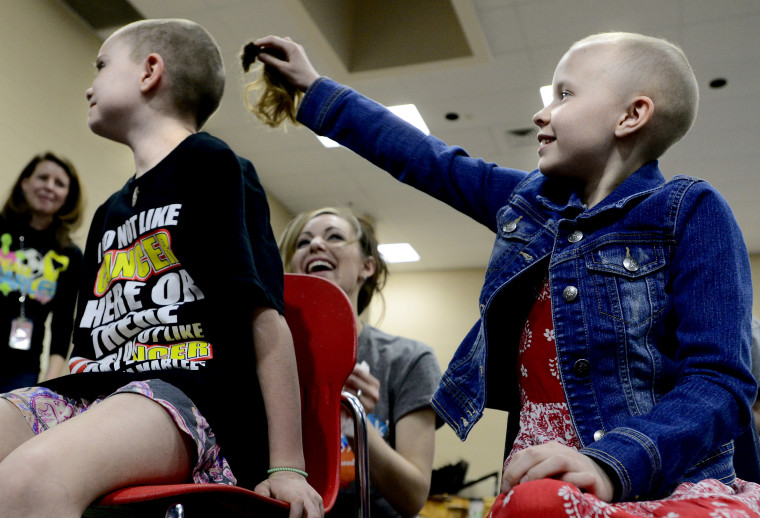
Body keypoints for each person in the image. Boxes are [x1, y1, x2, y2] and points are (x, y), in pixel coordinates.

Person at [249, 32, 760, 516]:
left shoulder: (689, 211)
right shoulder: (528, 206)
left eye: (564, 94)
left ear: (632, 115)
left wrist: (614, 462)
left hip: (659, 485)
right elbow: (427, 159)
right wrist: (315, 90)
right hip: (538, 482)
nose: (542, 112)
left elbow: (720, 380)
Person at [0, 19, 321, 518]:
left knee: (31, 479)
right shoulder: (109, 212)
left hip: (191, 395)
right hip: (101, 391)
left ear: (151, 71)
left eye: (102, 66)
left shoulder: (212, 164)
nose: (90, 84)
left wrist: (287, 466)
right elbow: (83, 350)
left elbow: (264, 318)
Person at [278, 207, 441, 518]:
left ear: (367, 266)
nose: (315, 245)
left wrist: (356, 427)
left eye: (334, 236)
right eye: (303, 242)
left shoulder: (408, 360)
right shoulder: (271, 356)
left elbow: (413, 496)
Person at [0, 152, 83, 391]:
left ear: (68, 196)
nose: (49, 187)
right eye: (43, 178)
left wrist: (46, 386)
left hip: (22, 371)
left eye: (59, 183)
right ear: (25, 183)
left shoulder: (69, 255)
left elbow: (63, 325)